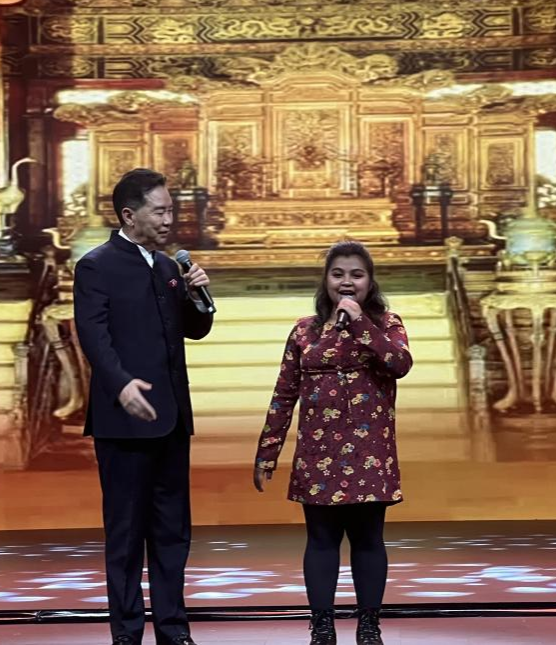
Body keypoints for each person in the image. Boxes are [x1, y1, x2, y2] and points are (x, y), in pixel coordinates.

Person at [74, 168, 214, 645]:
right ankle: (127, 634)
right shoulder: (96, 265)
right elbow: (94, 335)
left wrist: (197, 295)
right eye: (160, 211)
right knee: (127, 535)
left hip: (171, 420)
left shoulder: (168, 267)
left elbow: (195, 330)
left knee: (173, 532)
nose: (169, 220)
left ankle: (174, 630)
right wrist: (120, 386)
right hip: (123, 424)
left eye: (171, 210)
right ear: (129, 215)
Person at [253, 241, 413, 645]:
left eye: (357, 274)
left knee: (368, 540)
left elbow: (399, 364)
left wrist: (360, 323)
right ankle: (322, 625)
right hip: (318, 452)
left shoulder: (387, 324)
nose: (346, 282)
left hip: (369, 452)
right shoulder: (304, 330)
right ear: (325, 280)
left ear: (370, 281)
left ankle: (369, 625)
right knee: (321, 541)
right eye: (337, 274)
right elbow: (284, 393)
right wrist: (268, 452)